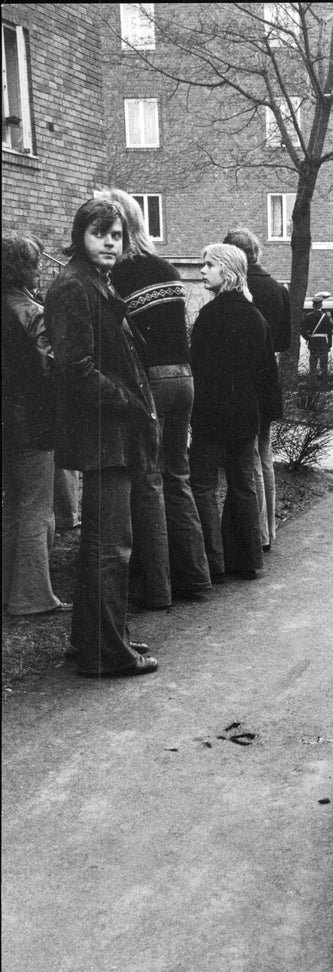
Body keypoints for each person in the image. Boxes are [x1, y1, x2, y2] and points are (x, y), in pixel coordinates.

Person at [44, 198, 160, 677]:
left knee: (104, 544)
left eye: (116, 234)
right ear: (81, 236)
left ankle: (95, 640)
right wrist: (130, 403)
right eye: (100, 233)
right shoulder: (74, 286)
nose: (110, 242)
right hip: (103, 433)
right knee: (110, 548)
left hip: (109, 432)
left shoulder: (92, 282)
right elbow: (76, 368)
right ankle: (106, 652)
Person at [103, 188, 212, 604]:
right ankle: (196, 577)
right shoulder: (166, 267)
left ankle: (157, 588)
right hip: (184, 378)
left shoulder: (118, 274)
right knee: (177, 476)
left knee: (146, 480)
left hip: (151, 382)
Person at [189, 244, 272, 581]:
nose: (202, 271)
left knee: (204, 486)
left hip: (210, 413)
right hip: (244, 413)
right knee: (244, 484)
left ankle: (213, 562)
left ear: (226, 271)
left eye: (208, 265)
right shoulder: (255, 316)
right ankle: (247, 558)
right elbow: (265, 372)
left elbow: (199, 368)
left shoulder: (209, 317)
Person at [2, 235, 70, 617]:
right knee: (35, 506)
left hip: (6, 418)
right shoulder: (31, 312)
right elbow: (51, 369)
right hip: (33, 419)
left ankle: (10, 588)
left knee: (13, 504)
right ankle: (32, 597)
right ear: (27, 267)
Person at [223, 227, 286, 553]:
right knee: (266, 455)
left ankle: (257, 533)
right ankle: (269, 529)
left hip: (245, 386)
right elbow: (284, 342)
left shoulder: (242, 288)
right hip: (268, 381)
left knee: (250, 461)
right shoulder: (277, 288)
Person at [301, 294, 333, 375]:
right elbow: (329, 332)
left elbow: (303, 332)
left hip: (313, 342)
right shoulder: (326, 317)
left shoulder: (308, 317)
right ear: (321, 305)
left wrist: (309, 339)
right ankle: (323, 383)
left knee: (313, 364)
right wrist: (329, 344)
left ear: (313, 305)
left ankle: (312, 382)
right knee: (324, 365)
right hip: (323, 342)